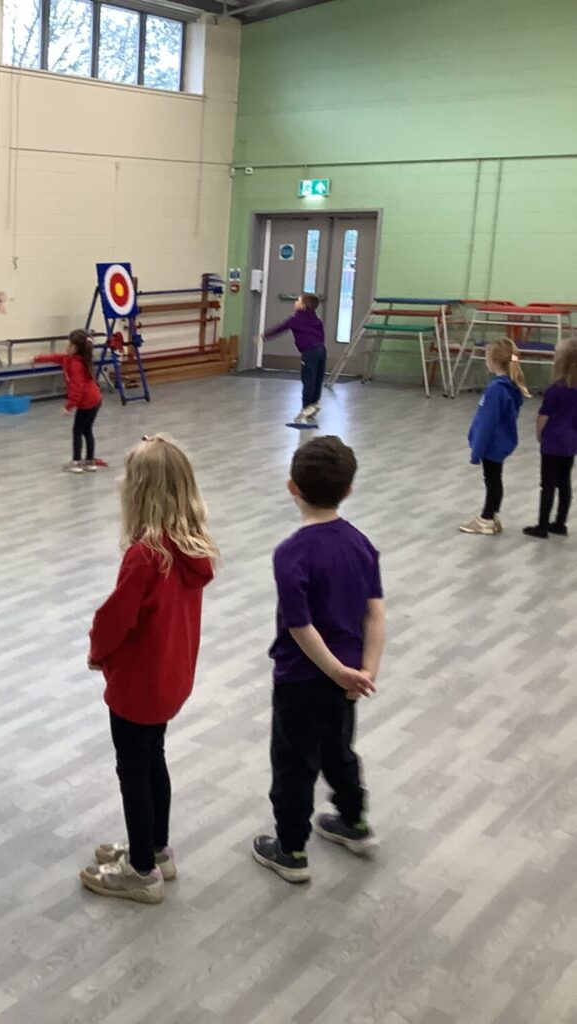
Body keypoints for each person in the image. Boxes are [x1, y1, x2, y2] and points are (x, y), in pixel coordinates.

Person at [78, 436, 217, 903]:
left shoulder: (145, 556)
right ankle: (156, 849)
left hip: (138, 685)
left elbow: (114, 618)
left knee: (133, 772)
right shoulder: (190, 549)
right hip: (170, 679)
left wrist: (98, 652)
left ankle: (140, 871)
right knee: (153, 760)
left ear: (139, 492)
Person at [253, 436, 385, 884]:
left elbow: (299, 625)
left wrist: (336, 670)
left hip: (301, 679)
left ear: (292, 487)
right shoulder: (361, 545)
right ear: (348, 490)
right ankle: (354, 821)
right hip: (347, 681)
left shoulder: (291, 553)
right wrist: (364, 672)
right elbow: (375, 613)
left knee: (294, 763)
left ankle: (290, 850)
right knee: (338, 750)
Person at [460, 338, 529, 535]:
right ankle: (492, 516)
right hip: (501, 441)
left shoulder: (496, 390)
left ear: (494, 361)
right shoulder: (510, 386)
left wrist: (477, 451)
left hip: (492, 443)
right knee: (494, 479)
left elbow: (487, 422)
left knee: (492, 480)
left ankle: (487, 518)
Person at [523, 339, 577, 539]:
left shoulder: (555, 389)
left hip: (553, 442)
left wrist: (539, 434)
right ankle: (560, 523)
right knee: (564, 483)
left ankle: (542, 525)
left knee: (547, 484)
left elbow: (543, 416)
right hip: (571, 441)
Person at [34, 329, 104, 473]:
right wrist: (38, 358)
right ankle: (90, 461)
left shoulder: (77, 365)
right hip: (95, 399)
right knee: (87, 430)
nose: (67, 347)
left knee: (77, 431)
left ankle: (76, 462)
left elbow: (78, 389)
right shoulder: (70, 359)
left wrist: (68, 406)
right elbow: (56, 357)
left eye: (70, 345)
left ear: (77, 349)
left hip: (87, 402)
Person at [263, 293, 327, 426]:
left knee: (308, 378)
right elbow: (322, 336)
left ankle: (306, 406)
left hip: (309, 352)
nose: (294, 303)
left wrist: (264, 336)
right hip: (321, 350)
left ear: (302, 306)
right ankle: (314, 403)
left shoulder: (295, 320)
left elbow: (280, 328)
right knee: (317, 378)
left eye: (297, 301)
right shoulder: (317, 320)